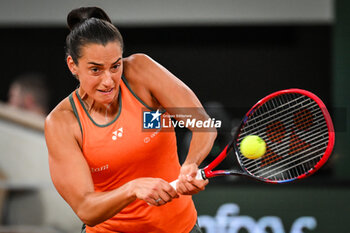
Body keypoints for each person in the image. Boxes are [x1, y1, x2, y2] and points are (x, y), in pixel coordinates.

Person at [45, 6, 217, 233]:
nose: (108, 81)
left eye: (115, 66)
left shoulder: (141, 72)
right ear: (73, 66)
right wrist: (132, 189)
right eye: (96, 70)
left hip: (180, 228)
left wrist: (190, 164)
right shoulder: (62, 123)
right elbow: (86, 209)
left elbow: (203, 124)